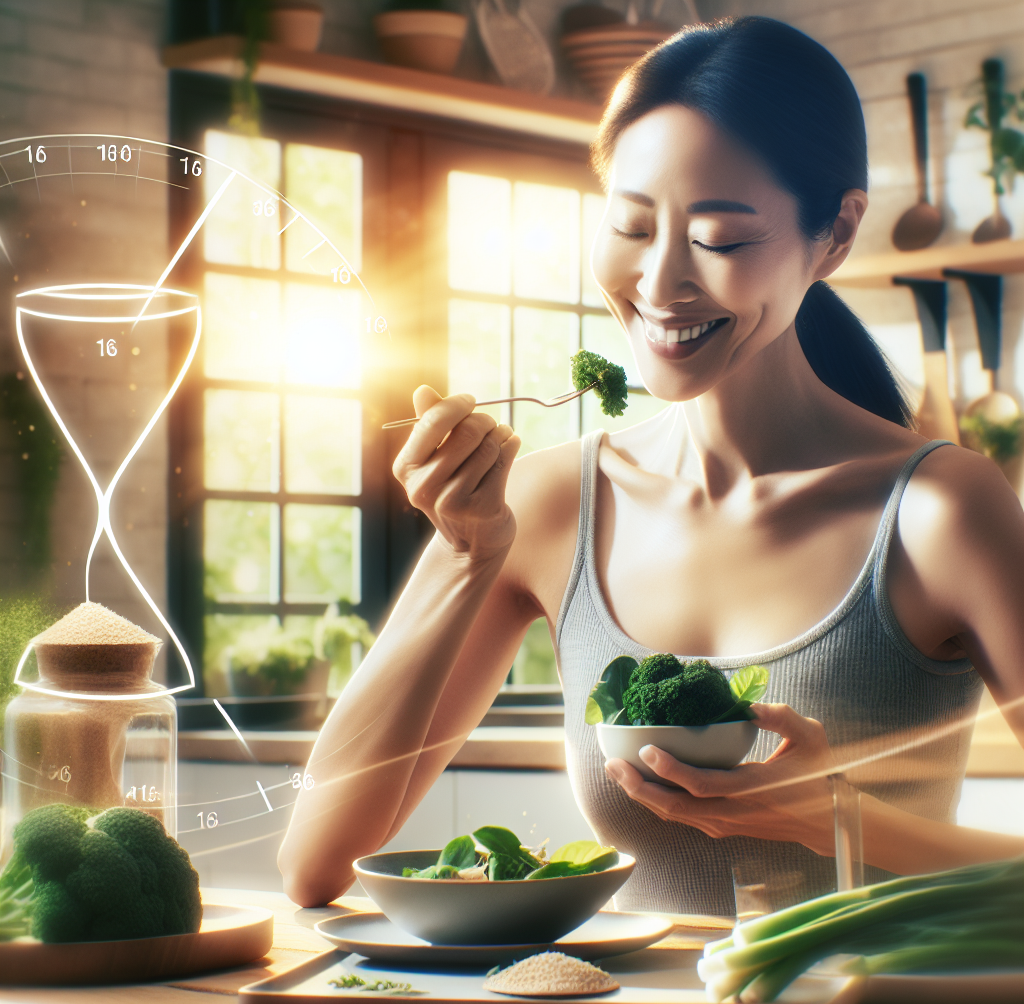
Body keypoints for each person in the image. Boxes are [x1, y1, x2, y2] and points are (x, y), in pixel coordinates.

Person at [278, 16, 1024, 915]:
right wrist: (470, 560)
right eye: (632, 226)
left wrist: (838, 816)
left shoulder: (942, 513)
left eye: (719, 239)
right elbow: (313, 863)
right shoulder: (546, 505)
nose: (662, 280)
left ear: (834, 235)